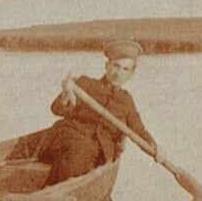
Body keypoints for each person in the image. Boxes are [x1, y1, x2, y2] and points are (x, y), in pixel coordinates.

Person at [37, 39, 161, 185]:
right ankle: (50, 192)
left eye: (125, 69)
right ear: (107, 66)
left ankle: (55, 191)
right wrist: (66, 93)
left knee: (87, 152)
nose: (118, 73)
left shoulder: (127, 101)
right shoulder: (84, 84)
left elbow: (139, 131)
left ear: (131, 74)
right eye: (115, 66)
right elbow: (56, 109)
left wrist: (155, 148)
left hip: (100, 151)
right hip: (67, 137)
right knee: (81, 149)